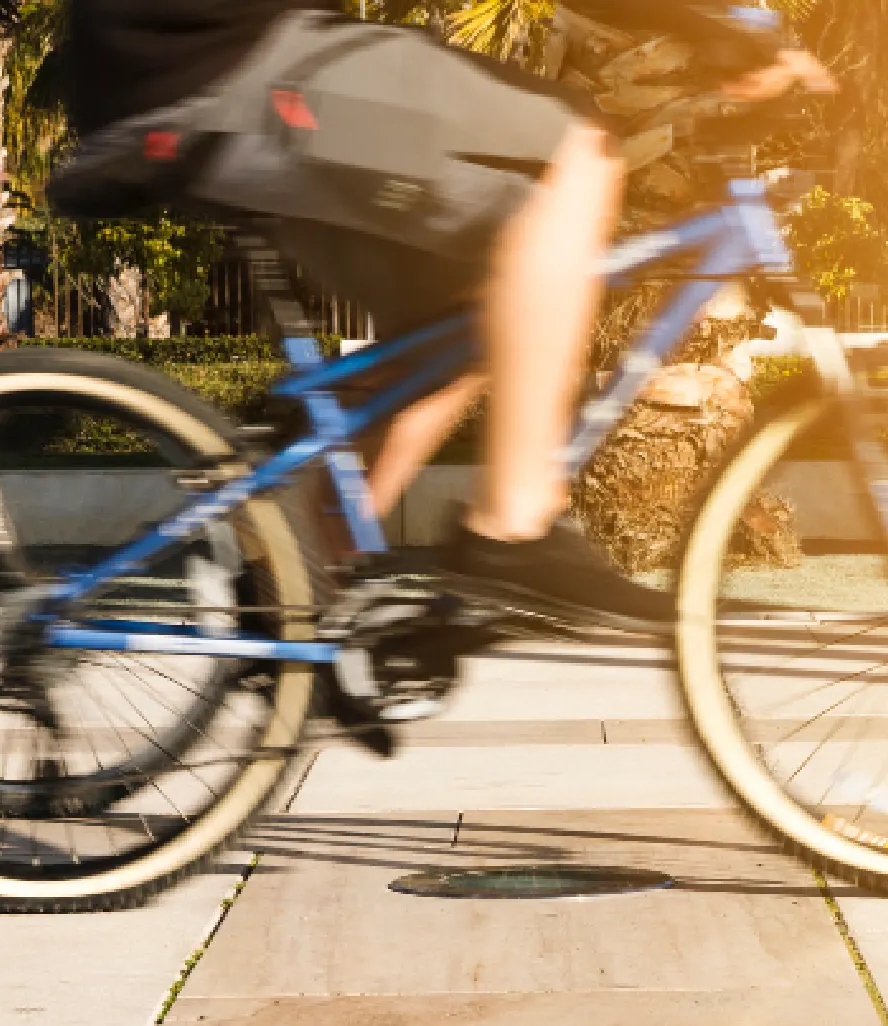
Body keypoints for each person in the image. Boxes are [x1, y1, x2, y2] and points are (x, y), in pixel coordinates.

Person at [48, 0, 831, 641]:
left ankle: (303, 587)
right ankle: (513, 531)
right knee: (577, 148)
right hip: (233, 72)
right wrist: (711, 29)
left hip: (202, 68)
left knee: (486, 303)